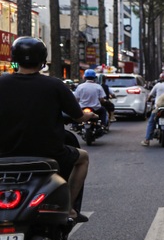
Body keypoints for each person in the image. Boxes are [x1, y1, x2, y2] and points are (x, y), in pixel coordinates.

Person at [0, 37, 95, 221]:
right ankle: (68, 208)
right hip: (49, 153)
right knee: (82, 158)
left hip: (4, 153)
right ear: (42, 60)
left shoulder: (2, 83)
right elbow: (78, 116)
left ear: (14, 59)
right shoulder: (54, 85)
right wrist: (89, 115)